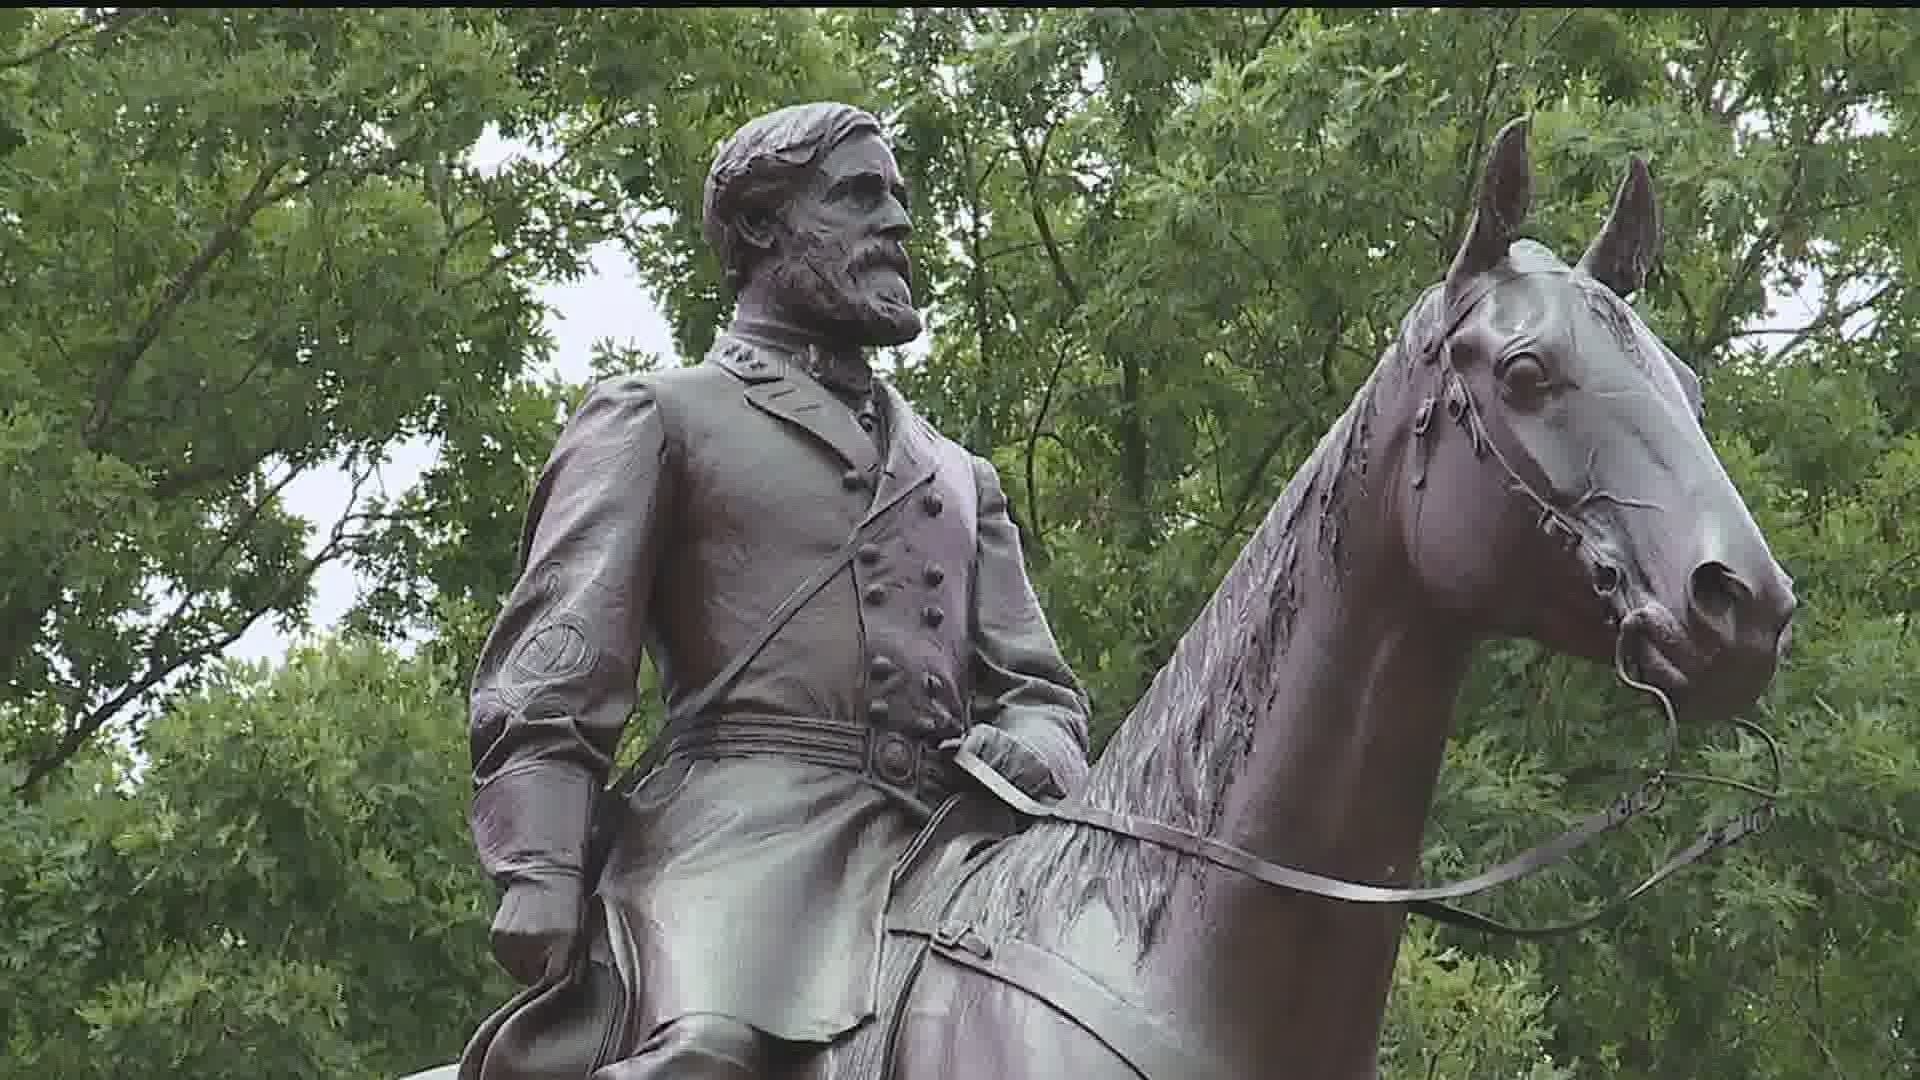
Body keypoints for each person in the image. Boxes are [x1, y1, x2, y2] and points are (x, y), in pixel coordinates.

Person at [456, 102, 1092, 1080]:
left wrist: (1034, 752)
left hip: (953, 842)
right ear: (760, 228)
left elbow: (1044, 694)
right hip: (741, 833)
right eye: (860, 196)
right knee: (710, 1051)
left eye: (902, 200)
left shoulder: (960, 476)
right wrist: (539, 871)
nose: (899, 224)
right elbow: (556, 661)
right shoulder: (660, 417)